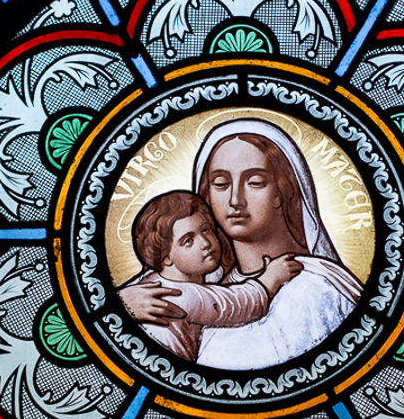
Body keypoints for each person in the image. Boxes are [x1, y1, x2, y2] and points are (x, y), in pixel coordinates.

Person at [119, 119, 363, 370]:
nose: (236, 200)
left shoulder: (313, 288)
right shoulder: (193, 283)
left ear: (282, 191)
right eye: (221, 184)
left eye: (255, 182)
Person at [129, 190, 302, 361]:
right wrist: (271, 278)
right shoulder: (181, 296)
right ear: (165, 258)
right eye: (188, 241)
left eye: (206, 230)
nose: (205, 243)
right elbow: (239, 304)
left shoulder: (153, 281)